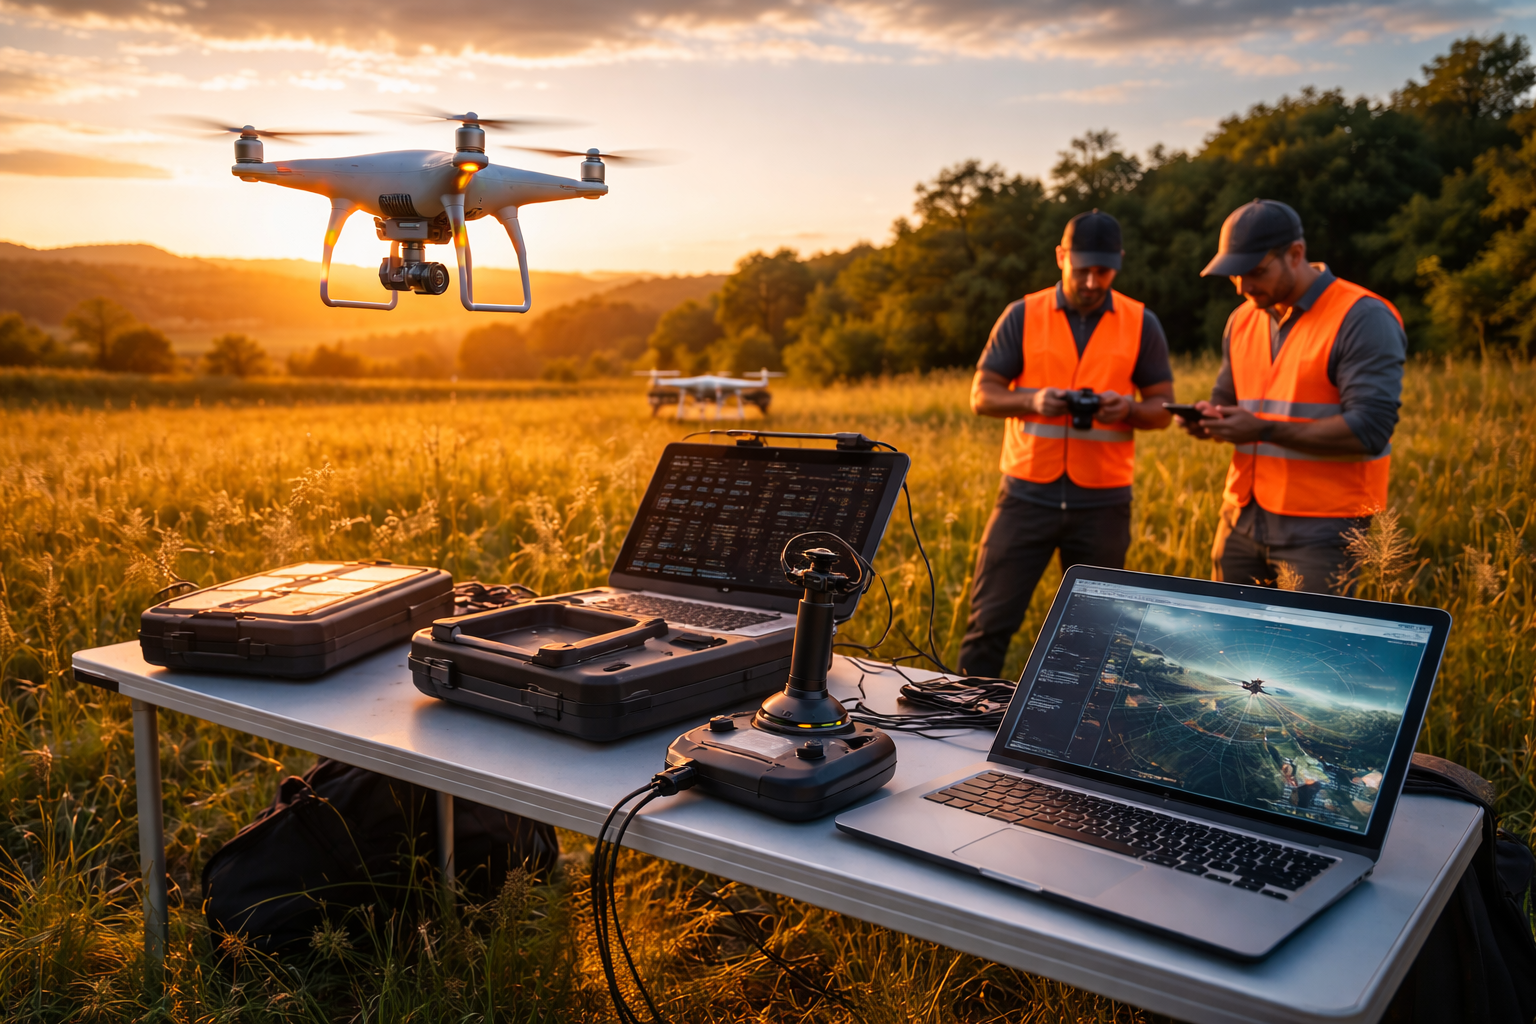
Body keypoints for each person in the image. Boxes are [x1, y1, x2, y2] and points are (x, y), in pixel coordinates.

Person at [957, 210, 1174, 679]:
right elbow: (982, 395)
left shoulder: (1141, 323)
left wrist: (1129, 409)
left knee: (1096, 635)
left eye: (1104, 271)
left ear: (1118, 262)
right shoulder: (1023, 314)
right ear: (1061, 258)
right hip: (1025, 496)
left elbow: (1163, 408)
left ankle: (1071, 735)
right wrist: (1034, 399)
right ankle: (961, 719)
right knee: (989, 624)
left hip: (1103, 503)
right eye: (1082, 270)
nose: (1093, 281)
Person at [1182, 199, 1406, 593]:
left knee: (1307, 654)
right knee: (1224, 647)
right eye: (1234, 275)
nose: (1243, 286)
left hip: (1323, 529)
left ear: (1296, 254)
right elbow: (1227, 401)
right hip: (1240, 517)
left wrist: (1263, 430)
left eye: (1255, 271)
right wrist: (1208, 420)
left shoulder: (1362, 317)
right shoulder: (1243, 319)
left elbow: (1370, 429)